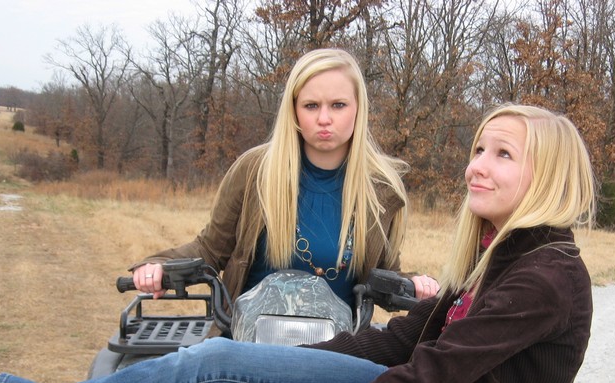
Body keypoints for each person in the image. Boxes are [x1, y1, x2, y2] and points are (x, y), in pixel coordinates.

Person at [0, 104, 594, 383]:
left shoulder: (546, 279)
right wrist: (281, 367)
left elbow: (421, 381)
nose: (475, 167)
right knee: (213, 363)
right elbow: (399, 344)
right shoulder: (499, 253)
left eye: (502, 155)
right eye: (479, 149)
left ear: (549, 176)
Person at [130, 48, 439, 314]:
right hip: (249, 342)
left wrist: (415, 283)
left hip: (335, 350)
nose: (324, 119)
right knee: (180, 373)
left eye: (338, 105)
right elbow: (210, 251)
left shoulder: (381, 188)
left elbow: (385, 277)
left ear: (359, 109)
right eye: (311, 106)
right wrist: (156, 265)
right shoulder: (255, 171)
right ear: (293, 110)